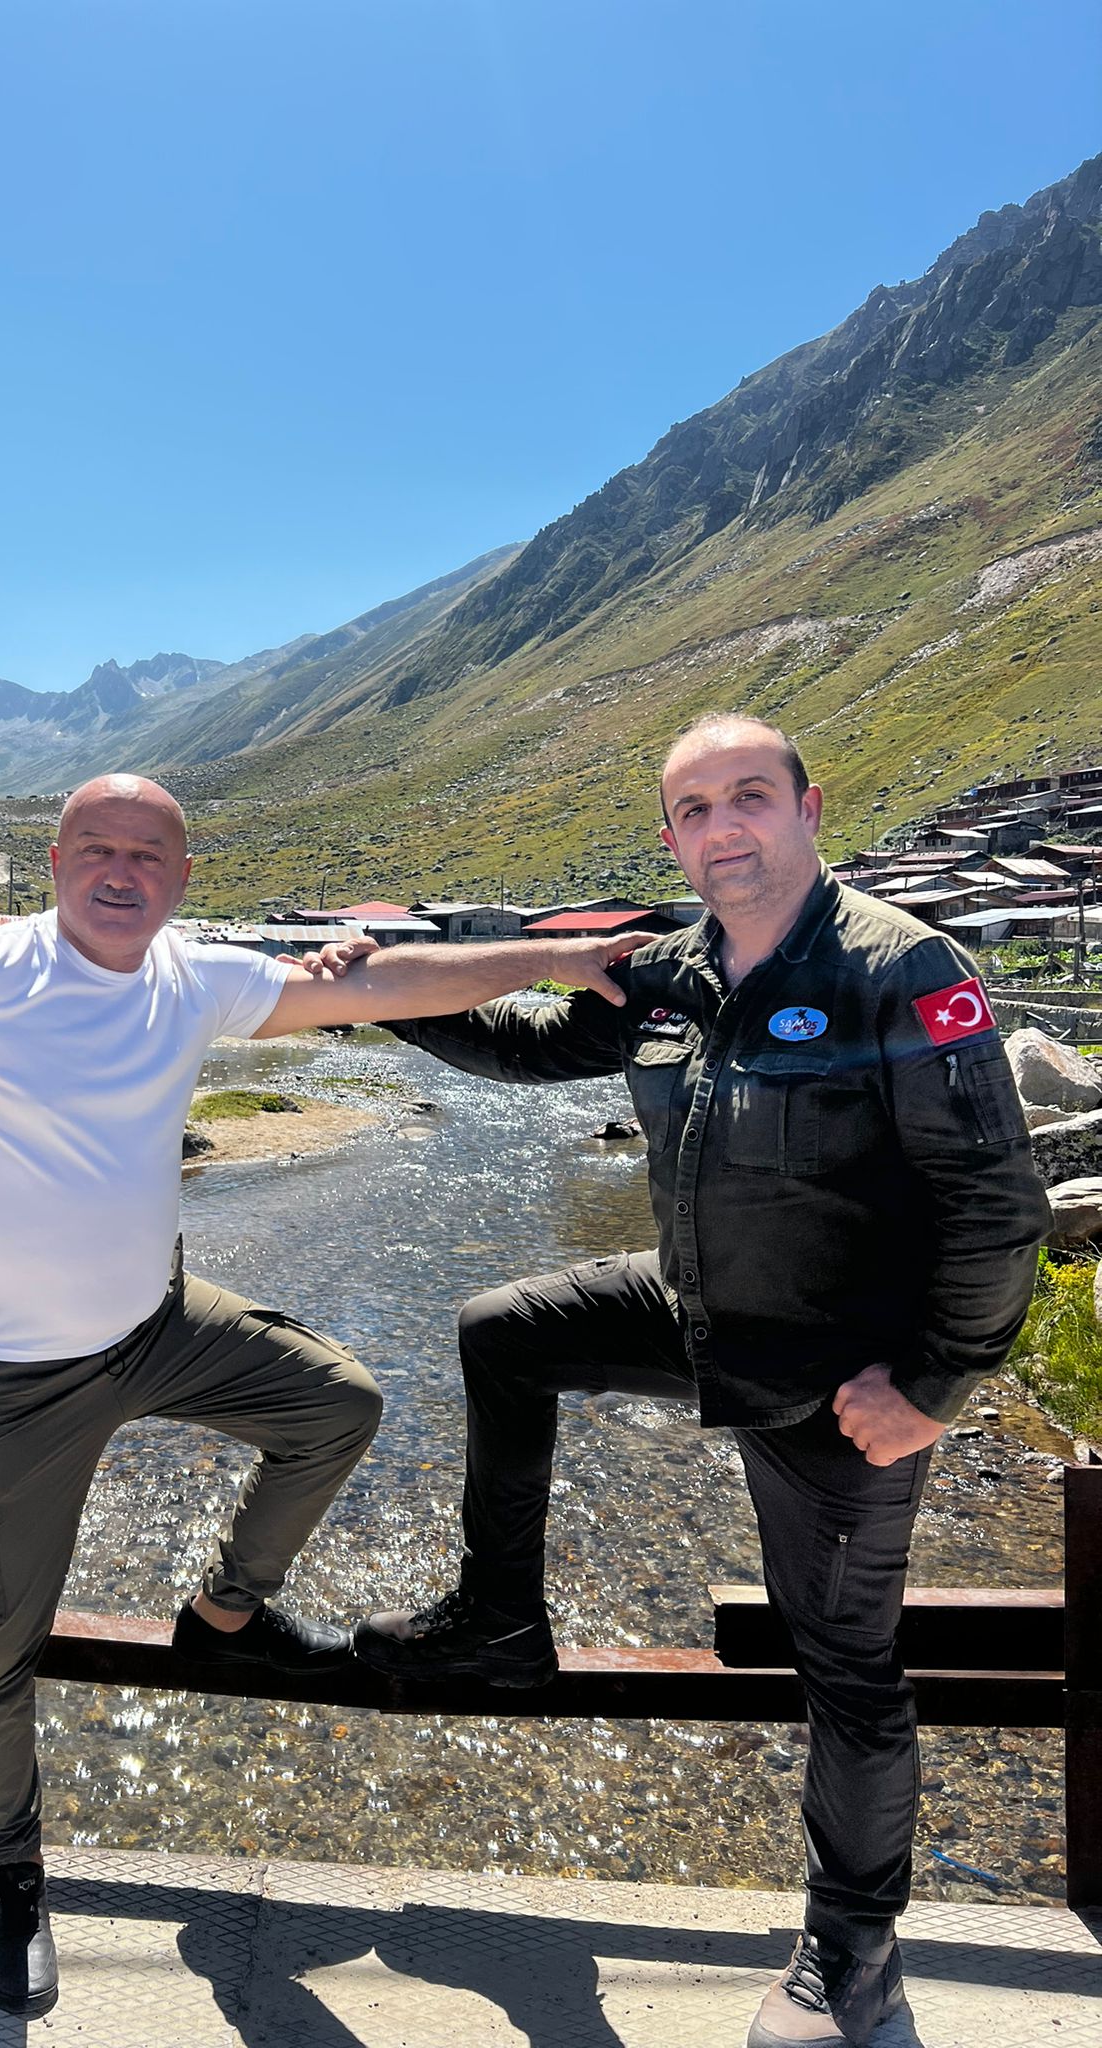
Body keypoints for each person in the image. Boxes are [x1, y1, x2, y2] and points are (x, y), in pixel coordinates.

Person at [0, 771, 651, 2020]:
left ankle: (226, 1611)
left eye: (149, 854)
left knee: (335, 1405)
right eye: (97, 848)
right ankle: (10, 1873)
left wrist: (554, 960)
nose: (121, 872)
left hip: (157, 1326)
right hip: (6, 1376)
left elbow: (378, 986)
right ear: (55, 860)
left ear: (182, 879)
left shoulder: (191, 976)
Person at [340, 718, 1049, 2048]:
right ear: (672, 839)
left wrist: (935, 1385)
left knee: (845, 1663)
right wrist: (377, 994)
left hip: (841, 1375)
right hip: (697, 1310)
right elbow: (525, 1047)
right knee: (505, 1332)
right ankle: (499, 1622)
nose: (726, 828)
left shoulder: (903, 969)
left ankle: (854, 1951)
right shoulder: (666, 971)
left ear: (807, 809)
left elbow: (997, 1203)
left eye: (750, 797)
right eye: (696, 809)